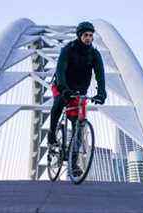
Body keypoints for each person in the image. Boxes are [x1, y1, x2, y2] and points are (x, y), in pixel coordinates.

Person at [48, 21, 107, 176]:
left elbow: (100, 75)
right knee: (59, 102)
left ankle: (73, 164)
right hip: (63, 85)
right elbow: (60, 70)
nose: (88, 38)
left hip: (80, 90)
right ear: (79, 36)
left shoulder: (94, 54)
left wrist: (101, 93)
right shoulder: (68, 50)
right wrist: (63, 89)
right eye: (86, 35)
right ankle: (52, 133)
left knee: (78, 128)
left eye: (91, 36)